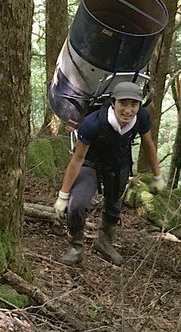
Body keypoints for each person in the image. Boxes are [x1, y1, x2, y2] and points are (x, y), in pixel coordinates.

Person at [52, 81, 165, 266]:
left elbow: (148, 143)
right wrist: (63, 195)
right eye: (123, 103)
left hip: (118, 163)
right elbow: (77, 159)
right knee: (77, 203)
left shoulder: (142, 117)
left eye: (134, 104)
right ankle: (75, 246)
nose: (128, 110)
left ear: (139, 105)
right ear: (113, 102)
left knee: (114, 205)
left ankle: (104, 241)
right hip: (90, 163)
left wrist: (157, 175)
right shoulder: (93, 122)